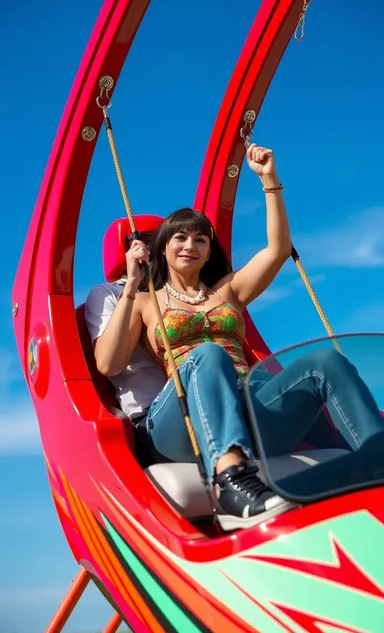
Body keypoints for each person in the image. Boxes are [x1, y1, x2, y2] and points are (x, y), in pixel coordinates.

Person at [93, 144, 384, 530]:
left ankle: (375, 457)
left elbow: (278, 251)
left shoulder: (226, 291)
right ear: (161, 247)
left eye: (200, 239)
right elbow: (108, 364)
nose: (190, 245)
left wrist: (269, 182)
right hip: (181, 421)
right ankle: (232, 479)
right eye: (179, 237)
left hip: (249, 408)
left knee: (324, 362)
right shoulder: (145, 301)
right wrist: (130, 285)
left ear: (209, 249)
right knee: (208, 354)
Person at [85, 230, 166, 421]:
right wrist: (131, 286)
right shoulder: (108, 294)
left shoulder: (184, 292)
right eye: (144, 242)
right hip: (152, 411)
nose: (151, 249)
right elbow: (107, 364)